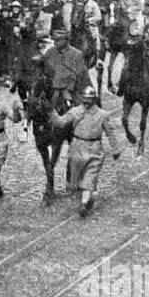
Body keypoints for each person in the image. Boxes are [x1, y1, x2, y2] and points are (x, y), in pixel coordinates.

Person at [51, 85, 122, 216]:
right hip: (77, 148)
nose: (87, 101)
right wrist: (51, 112)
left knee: (90, 176)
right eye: (85, 98)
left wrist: (115, 149)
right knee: (73, 185)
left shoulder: (102, 115)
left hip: (95, 149)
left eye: (90, 99)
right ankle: (89, 196)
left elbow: (110, 133)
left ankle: (84, 203)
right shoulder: (75, 112)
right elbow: (61, 123)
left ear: (94, 99)